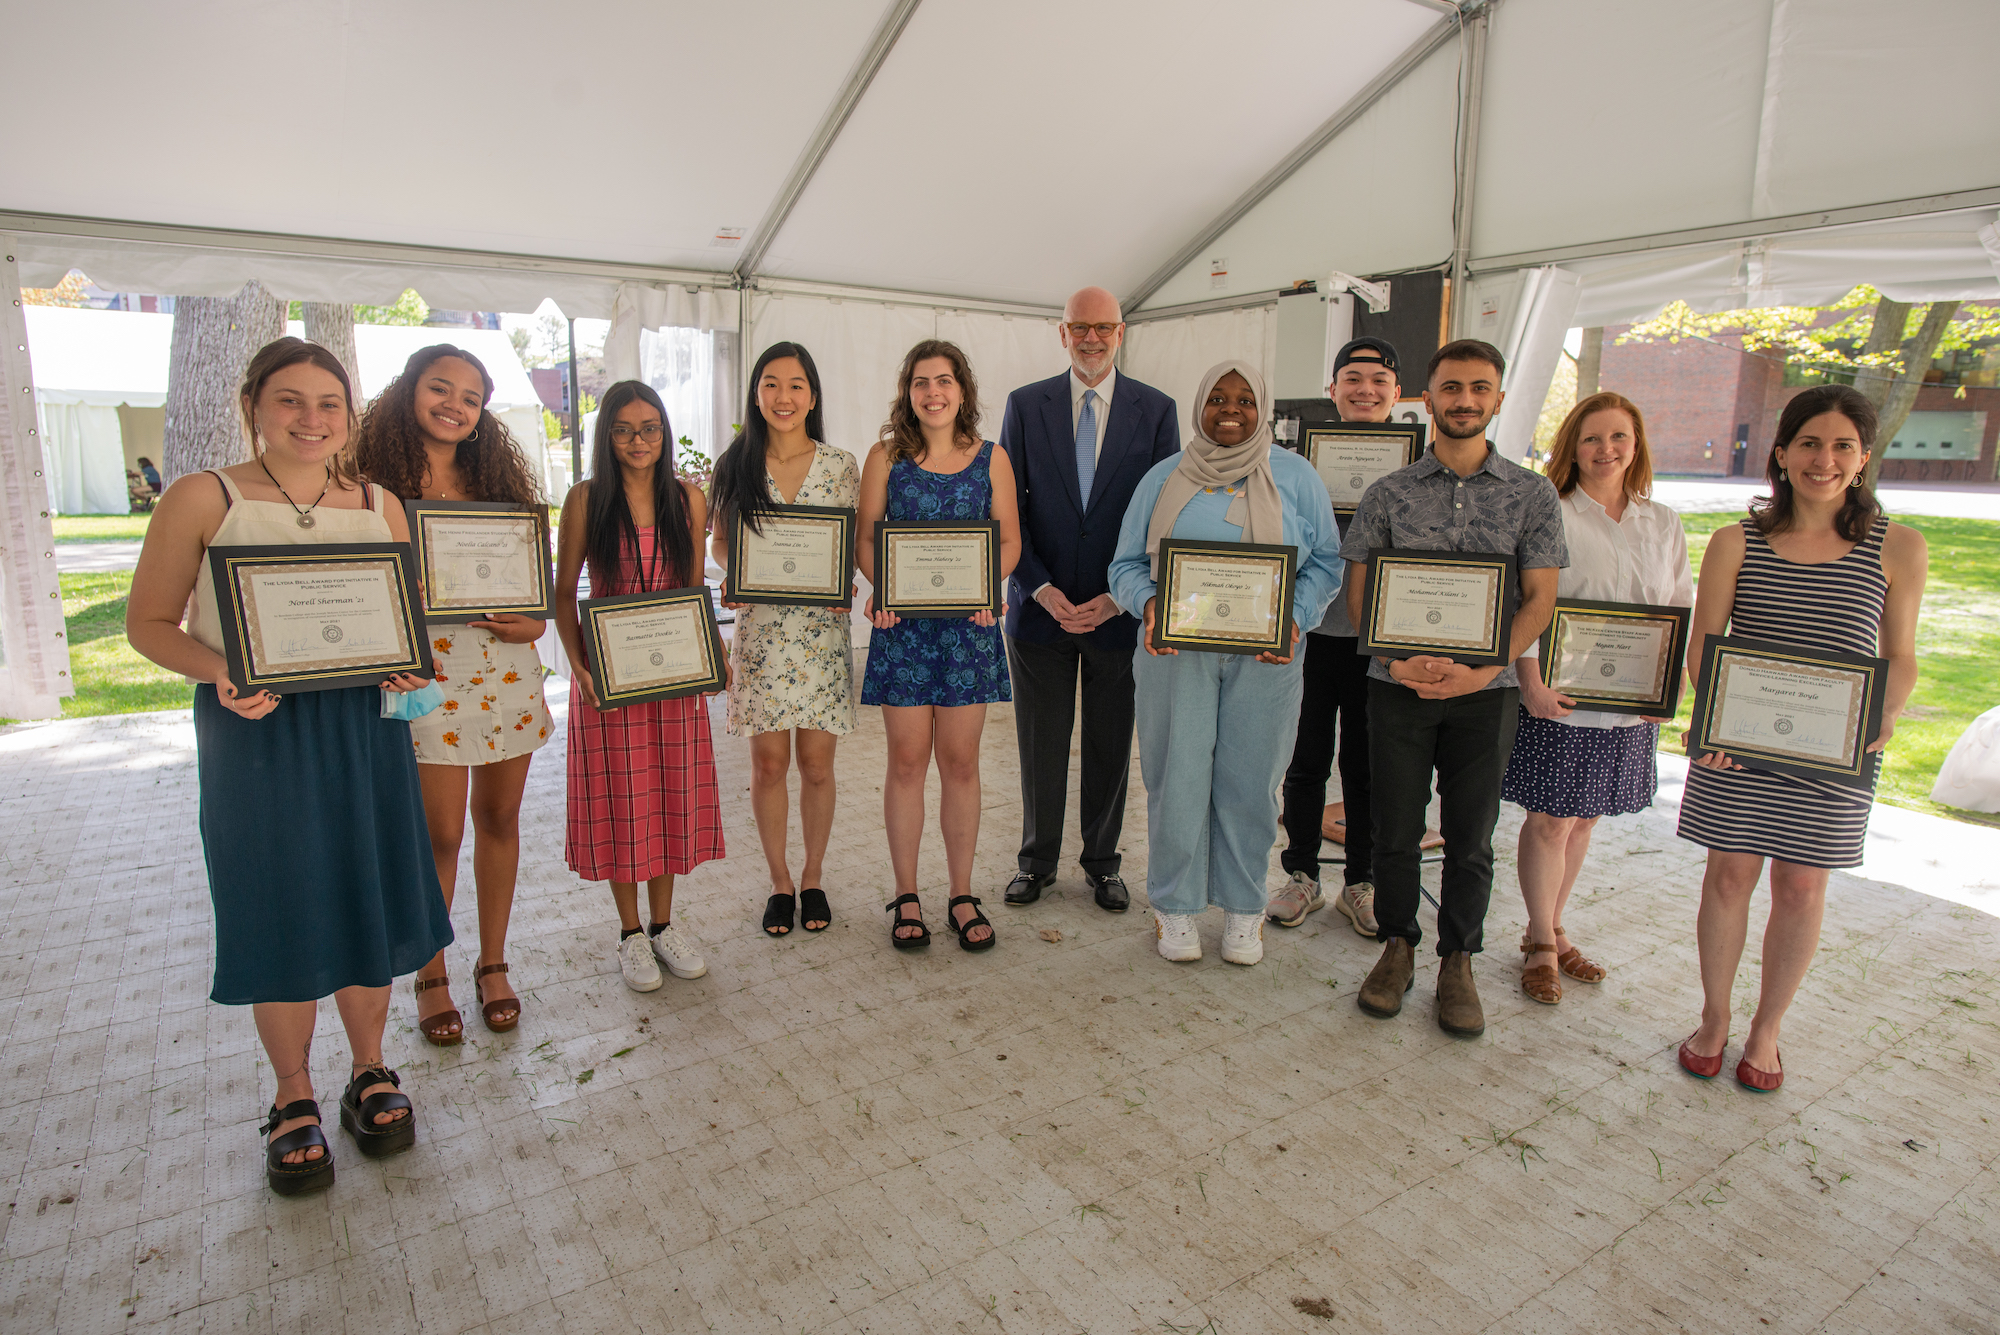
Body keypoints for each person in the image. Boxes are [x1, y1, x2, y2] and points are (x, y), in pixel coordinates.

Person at [125, 337, 449, 1195]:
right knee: (277, 898)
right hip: (255, 729)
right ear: (254, 407)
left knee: (364, 890)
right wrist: (220, 670)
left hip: (363, 727)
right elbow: (150, 623)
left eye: (328, 404)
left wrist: (408, 661)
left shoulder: (380, 503)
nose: (311, 420)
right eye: (290, 401)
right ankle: (293, 1092)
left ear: (348, 416)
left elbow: (402, 620)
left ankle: (371, 1069)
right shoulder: (204, 496)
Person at [1675, 384, 1925, 1091]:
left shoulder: (1899, 546)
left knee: (1803, 886)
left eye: (1843, 444)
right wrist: (1715, 714)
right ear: (1781, 453)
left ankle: (1767, 1028)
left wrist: (1887, 710)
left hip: (1835, 748)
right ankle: (1715, 1016)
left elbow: (1900, 654)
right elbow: (1707, 644)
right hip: (1739, 744)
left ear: (1864, 457)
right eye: (1810, 443)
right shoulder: (1734, 542)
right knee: (1728, 876)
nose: (1825, 459)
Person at [1343, 339, 1567, 1037]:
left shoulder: (1533, 493)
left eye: (1478, 388)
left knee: (1472, 834)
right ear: (1429, 398)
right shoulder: (1388, 493)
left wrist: (1484, 665)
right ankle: (1399, 945)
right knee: (1396, 829)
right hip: (1396, 685)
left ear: (1497, 399)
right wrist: (1397, 661)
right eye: (1451, 388)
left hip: (1486, 692)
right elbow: (1360, 595)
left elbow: (1540, 599)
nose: (1464, 400)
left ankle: (1458, 959)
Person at [1107, 361, 1344, 965]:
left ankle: (1244, 908)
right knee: (1176, 776)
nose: (1230, 408)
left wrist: (1296, 618)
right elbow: (1125, 566)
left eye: (1243, 398)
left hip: (1267, 656)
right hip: (1176, 654)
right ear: (1199, 406)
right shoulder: (1163, 478)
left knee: (1252, 780)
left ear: (1263, 407)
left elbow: (1326, 563)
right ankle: (1175, 907)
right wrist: (1150, 606)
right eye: (1216, 397)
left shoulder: (1296, 477)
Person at [355, 344, 552, 1042]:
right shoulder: (366, 489)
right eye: (441, 388)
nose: (455, 404)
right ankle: (431, 972)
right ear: (409, 391)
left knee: (500, 820)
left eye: (471, 396)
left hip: (505, 673)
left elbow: (538, 613)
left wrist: (525, 620)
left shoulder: (502, 492)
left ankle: (492, 961)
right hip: (424, 678)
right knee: (438, 832)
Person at [997, 287, 1180, 913]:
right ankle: (1036, 860)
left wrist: (1118, 597)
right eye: (1081, 328)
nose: (1092, 339)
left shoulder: (1156, 411)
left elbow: (1163, 515)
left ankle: (1102, 862)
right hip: (1038, 610)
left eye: (1104, 328)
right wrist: (1039, 587)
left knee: (1109, 740)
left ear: (1121, 332)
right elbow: (1007, 510)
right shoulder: (1025, 406)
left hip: (1118, 614)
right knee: (1039, 741)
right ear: (1062, 332)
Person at [1504, 392, 1690, 1005]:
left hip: (1631, 702)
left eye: (1618, 438)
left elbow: (1679, 607)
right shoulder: (1548, 511)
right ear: (1571, 448)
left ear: (1636, 446)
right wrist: (1528, 679)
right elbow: (1525, 602)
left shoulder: (1661, 521)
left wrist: (1671, 689)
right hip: (1561, 694)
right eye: (1591, 438)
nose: (1605, 450)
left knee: (1586, 819)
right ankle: (1539, 941)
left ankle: (1555, 927)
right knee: (1551, 820)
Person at [554, 381, 725, 992]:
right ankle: (629, 934)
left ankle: (663, 926)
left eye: (650, 427)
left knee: (669, 798)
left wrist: (713, 650)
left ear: (665, 432)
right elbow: (562, 595)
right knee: (624, 804)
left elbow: (689, 588)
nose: (638, 440)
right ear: (606, 436)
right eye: (624, 429)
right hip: (610, 680)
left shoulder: (688, 499)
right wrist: (581, 671)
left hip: (672, 675)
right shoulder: (585, 500)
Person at [859, 340, 1021, 952]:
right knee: (905, 764)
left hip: (968, 632)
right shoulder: (885, 457)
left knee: (960, 764)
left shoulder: (992, 459)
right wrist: (884, 588)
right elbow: (866, 540)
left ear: (963, 390)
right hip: (903, 633)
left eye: (945, 381)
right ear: (908, 391)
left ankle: (960, 893)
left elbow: (1008, 543)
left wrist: (990, 588)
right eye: (922, 382)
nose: (933, 392)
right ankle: (906, 894)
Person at [708, 342, 860, 937]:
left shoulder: (842, 465)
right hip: (763, 635)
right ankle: (779, 881)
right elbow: (721, 542)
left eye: (795, 385)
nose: (783, 397)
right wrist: (734, 575)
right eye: (771, 384)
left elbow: (852, 543)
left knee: (817, 766)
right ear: (756, 394)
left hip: (821, 633)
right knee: (769, 765)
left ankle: (814, 875)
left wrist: (848, 579)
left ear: (813, 396)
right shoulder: (735, 463)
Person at [1270, 337, 1402, 936]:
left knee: (1368, 766)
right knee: (1305, 761)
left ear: (1397, 394)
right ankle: (1301, 876)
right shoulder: (1298, 464)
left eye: (1378, 380)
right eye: (1352, 378)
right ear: (1332, 390)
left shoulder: (1415, 464)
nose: (1365, 390)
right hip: (1312, 630)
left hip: (1383, 639)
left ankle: (1361, 882)